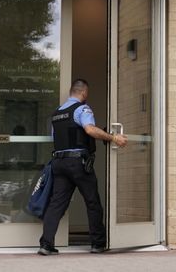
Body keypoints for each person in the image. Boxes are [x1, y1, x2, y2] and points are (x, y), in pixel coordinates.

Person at [38, 79, 128, 256]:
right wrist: (113, 137)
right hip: (77, 163)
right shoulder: (82, 109)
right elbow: (90, 130)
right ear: (84, 93)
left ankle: (46, 244)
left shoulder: (56, 114)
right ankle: (97, 243)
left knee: (56, 204)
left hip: (59, 163)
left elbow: (55, 138)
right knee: (92, 202)